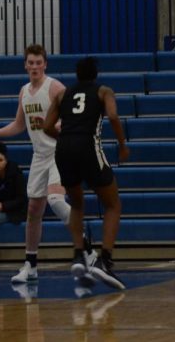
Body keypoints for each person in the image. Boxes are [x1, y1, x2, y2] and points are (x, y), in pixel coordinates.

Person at [0, 44, 73, 283]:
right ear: (25, 65)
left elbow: (73, 116)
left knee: (55, 200)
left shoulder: (55, 87)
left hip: (59, 152)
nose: (34, 66)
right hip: (39, 155)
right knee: (33, 211)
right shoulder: (24, 91)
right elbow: (19, 124)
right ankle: (30, 265)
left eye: (38, 62)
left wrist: (59, 127)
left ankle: (87, 247)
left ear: (45, 64)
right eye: (30, 63)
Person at [44, 56, 129, 290]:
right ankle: (105, 260)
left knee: (77, 204)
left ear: (77, 75)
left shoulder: (63, 94)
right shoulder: (104, 91)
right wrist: (122, 145)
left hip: (63, 149)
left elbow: (46, 126)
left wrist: (65, 139)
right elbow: (112, 115)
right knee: (113, 204)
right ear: (96, 74)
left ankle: (78, 254)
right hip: (88, 147)